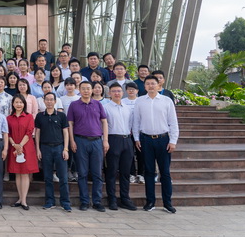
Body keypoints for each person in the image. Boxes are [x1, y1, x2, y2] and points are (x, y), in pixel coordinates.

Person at [133, 75, 179, 213]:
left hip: (163, 139)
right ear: (145, 86)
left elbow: (173, 122)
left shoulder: (166, 101)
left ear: (158, 85)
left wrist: (173, 141)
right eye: (148, 84)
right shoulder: (139, 101)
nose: (150, 86)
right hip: (145, 140)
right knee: (148, 171)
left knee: (165, 172)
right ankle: (150, 202)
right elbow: (136, 121)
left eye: (153, 83)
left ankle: (167, 203)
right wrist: (136, 138)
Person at [67, 81, 109, 212]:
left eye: (88, 89)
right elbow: (70, 124)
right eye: (83, 89)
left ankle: (97, 201)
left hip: (96, 141)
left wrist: (105, 140)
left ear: (92, 90)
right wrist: (72, 141)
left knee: (97, 173)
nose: (86, 91)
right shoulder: (74, 105)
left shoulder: (98, 104)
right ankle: (84, 201)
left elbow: (104, 122)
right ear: (79, 90)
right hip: (80, 141)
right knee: (82, 173)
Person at [35, 92, 71, 212]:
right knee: (47, 177)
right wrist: (38, 149)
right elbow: (38, 133)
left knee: (63, 177)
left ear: (55, 101)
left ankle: (65, 202)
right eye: (47, 99)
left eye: (51, 100)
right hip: (45, 148)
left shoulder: (61, 115)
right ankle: (50, 201)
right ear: (44, 101)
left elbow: (65, 133)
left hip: (59, 148)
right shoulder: (40, 116)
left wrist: (66, 149)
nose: (49, 102)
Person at [103, 83, 137, 211]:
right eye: (114, 91)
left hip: (127, 140)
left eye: (119, 91)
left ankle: (125, 198)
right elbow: (103, 126)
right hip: (113, 139)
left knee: (125, 172)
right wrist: (105, 141)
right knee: (111, 171)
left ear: (123, 93)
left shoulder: (128, 108)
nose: (116, 93)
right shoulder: (105, 108)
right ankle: (112, 199)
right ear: (109, 93)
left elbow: (132, 125)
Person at [7, 93, 38, 210]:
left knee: (25, 173)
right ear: (13, 104)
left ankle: (24, 200)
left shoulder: (29, 117)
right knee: (17, 173)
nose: (18, 104)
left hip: (26, 147)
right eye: (16, 102)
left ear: (24, 104)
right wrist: (15, 145)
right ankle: (19, 198)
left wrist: (20, 145)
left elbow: (29, 132)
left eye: (21, 102)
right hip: (14, 147)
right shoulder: (9, 118)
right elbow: (8, 133)